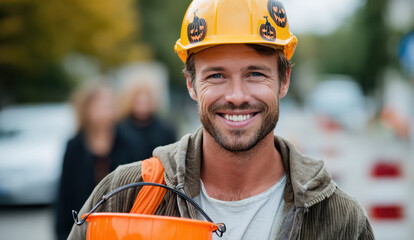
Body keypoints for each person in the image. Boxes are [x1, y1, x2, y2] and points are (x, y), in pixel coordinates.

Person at [68, 0, 374, 239]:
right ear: (191, 84)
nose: (237, 95)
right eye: (216, 75)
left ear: (283, 81)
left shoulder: (340, 219)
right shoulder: (128, 194)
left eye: (255, 74)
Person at [55, 81, 133, 240]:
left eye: (110, 104)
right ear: (86, 108)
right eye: (101, 105)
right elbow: (64, 195)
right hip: (83, 229)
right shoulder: (74, 146)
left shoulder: (128, 142)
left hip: (121, 230)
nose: (107, 110)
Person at [117, 79, 176, 161]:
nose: (143, 107)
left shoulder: (165, 130)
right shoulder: (121, 130)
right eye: (139, 102)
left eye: (146, 102)